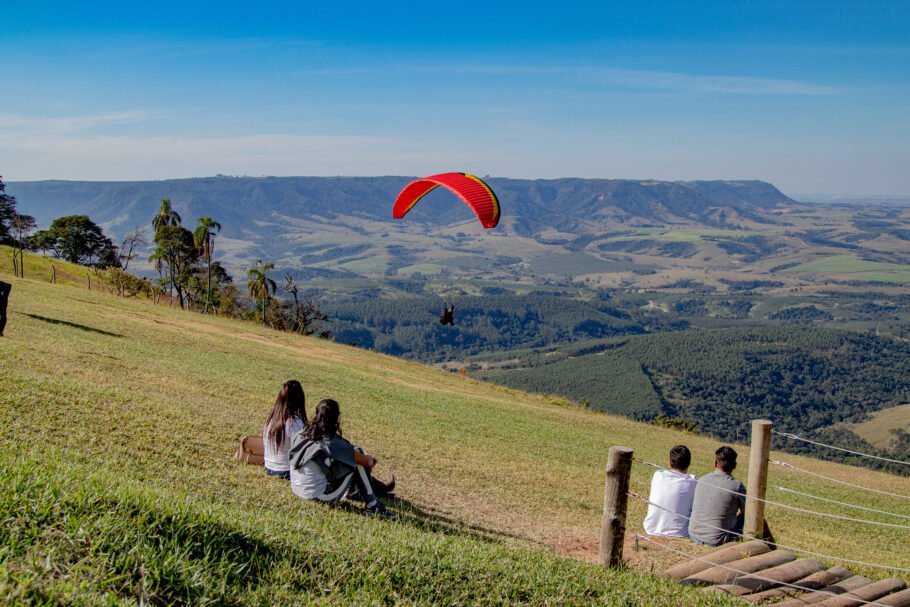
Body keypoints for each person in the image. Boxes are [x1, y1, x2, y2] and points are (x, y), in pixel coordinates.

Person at [288, 399, 395, 518]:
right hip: (317, 495)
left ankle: (356, 493)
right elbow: (365, 461)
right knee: (358, 459)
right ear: (336, 417)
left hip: (297, 488)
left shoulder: (302, 433)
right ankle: (372, 506)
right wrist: (368, 459)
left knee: (350, 456)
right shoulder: (331, 441)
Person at [688, 446, 746, 546]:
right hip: (717, 540)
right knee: (748, 515)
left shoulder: (702, 479)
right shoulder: (737, 486)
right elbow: (748, 512)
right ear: (735, 465)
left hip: (693, 534)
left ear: (715, 463)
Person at [643, 445, 698, 537]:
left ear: (669, 462)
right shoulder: (694, 481)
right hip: (680, 533)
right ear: (688, 465)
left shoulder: (658, 475)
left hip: (650, 528)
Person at [262, 380, 308, 480]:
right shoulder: (294, 423)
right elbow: (303, 450)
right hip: (286, 471)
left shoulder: (271, 418)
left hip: (269, 466)